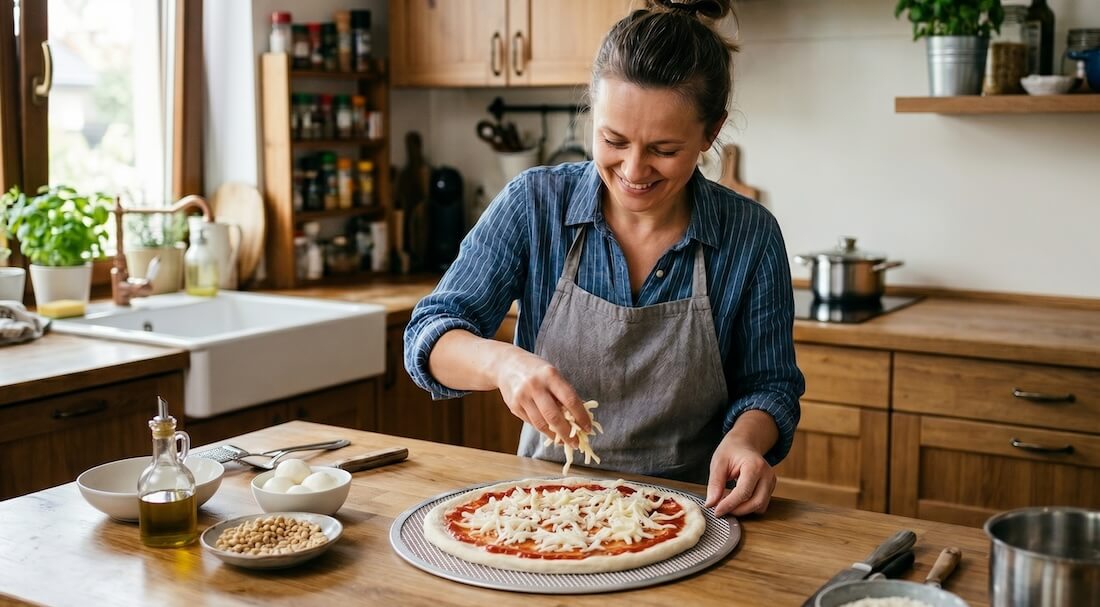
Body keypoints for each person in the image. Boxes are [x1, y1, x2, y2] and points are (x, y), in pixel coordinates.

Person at [404, 0, 804, 518]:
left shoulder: (750, 234)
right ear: (592, 113)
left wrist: (747, 441)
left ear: (711, 132)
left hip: (693, 512)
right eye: (613, 140)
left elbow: (769, 386)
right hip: (545, 512)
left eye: (663, 149)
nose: (633, 170)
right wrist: (502, 364)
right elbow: (428, 336)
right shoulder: (535, 205)